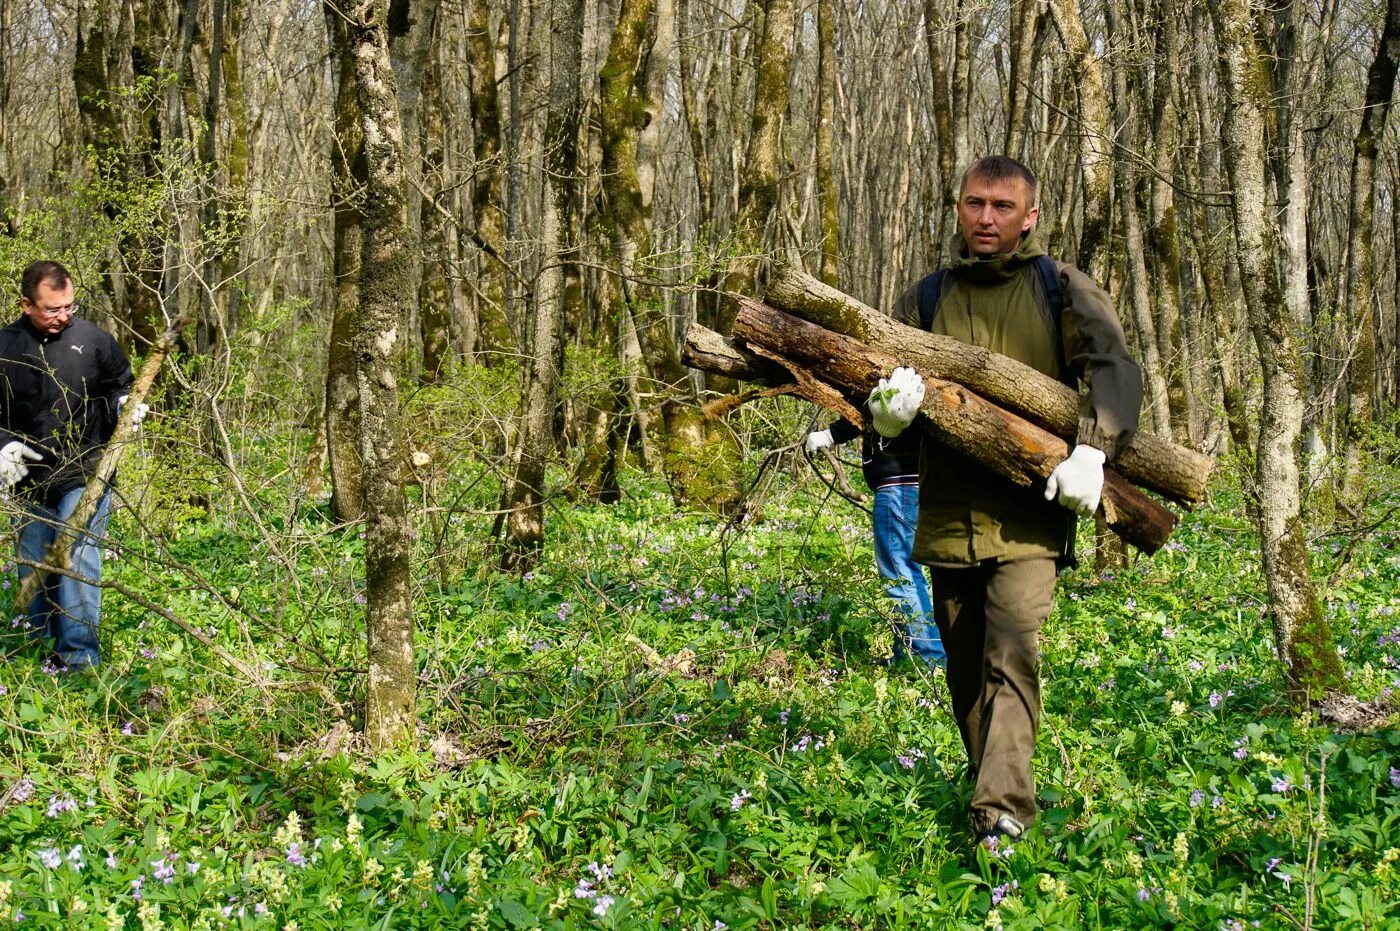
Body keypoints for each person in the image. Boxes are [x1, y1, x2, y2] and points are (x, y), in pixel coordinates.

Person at [867, 156, 1142, 846]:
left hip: (1030, 515)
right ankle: (989, 780)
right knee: (964, 671)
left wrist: (1094, 449)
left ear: (1030, 217)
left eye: (1001, 206)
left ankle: (1001, 814)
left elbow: (1115, 367)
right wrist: (886, 414)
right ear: (957, 208)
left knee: (1012, 652)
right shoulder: (926, 298)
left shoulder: (1061, 288)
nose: (986, 218)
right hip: (947, 515)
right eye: (974, 203)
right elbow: (876, 375)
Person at [0, 261, 146, 671]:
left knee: (77, 559)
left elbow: (121, 385)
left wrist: (126, 408)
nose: (63, 315)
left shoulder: (95, 341)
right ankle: (35, 656)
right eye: (52, 309)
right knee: (35, 563)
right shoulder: (5, 347)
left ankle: (80, 661)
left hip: (86, 470)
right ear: (27, 304)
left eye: (69, 306)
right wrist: (2, 446)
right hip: (27, 479)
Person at [805, 419, 945, 667]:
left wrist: (830, 435)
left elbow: (868, 404)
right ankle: (909, 654)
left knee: (901, 576)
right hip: (919, 482)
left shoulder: (890, 381)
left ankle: (927, 660)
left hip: (899, 485)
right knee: (909, 575)